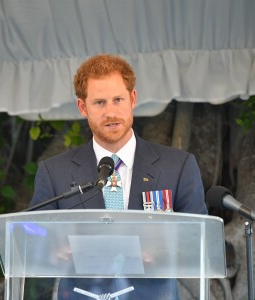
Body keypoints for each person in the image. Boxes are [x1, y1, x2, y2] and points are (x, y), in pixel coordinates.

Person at [29, 54, 207, 299]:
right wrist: (53, 247)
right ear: (83, 107)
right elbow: (32, 231)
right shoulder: (54, 172)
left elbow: (199, 238)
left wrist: (163, 250)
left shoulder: (178, 166)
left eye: (118, 100)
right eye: (100, 102)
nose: (111, 112)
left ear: (132, 99)